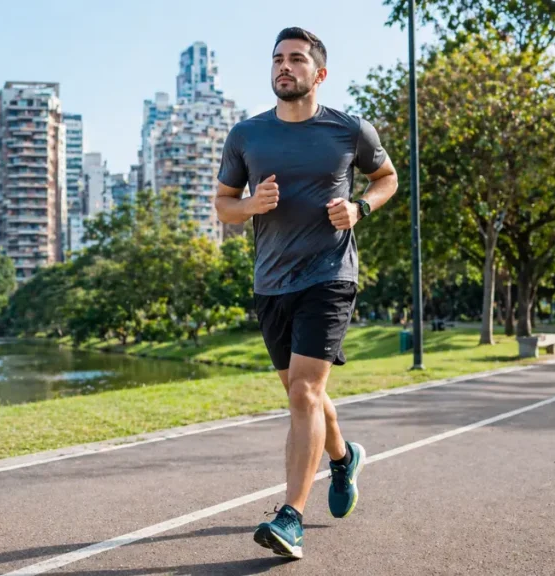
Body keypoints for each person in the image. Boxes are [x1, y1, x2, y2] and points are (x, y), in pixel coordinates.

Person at [214, 26, 399, 560]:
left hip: (330, 275)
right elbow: (223, 205)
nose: (284, 67)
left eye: (296, 59)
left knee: (304, 393)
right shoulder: (246, 136)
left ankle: (291, 516)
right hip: (271, 282)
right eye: (277, 59)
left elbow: (386, 177)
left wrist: (361, 207)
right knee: (303, 392)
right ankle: (342, 459)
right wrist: (251, 205)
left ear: (319, 73)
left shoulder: (349, 130)